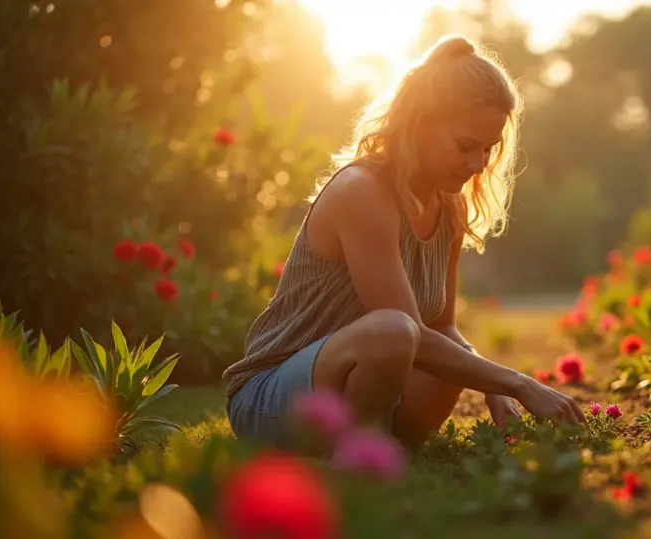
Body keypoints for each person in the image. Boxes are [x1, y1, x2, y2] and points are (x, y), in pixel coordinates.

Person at [222, 35, 586, 448]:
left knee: (448, 363)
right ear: (420, 124)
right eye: (466, 145)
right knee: (394, 331)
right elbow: (405, 330)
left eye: (489, 149)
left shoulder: (450, 206)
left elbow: (441, 327)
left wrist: (493, 386)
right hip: (271, 398)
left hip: (352, 395)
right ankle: (360, 455)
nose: (478, 164)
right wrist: (517, 383)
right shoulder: (362, 191)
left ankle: (375, 448)